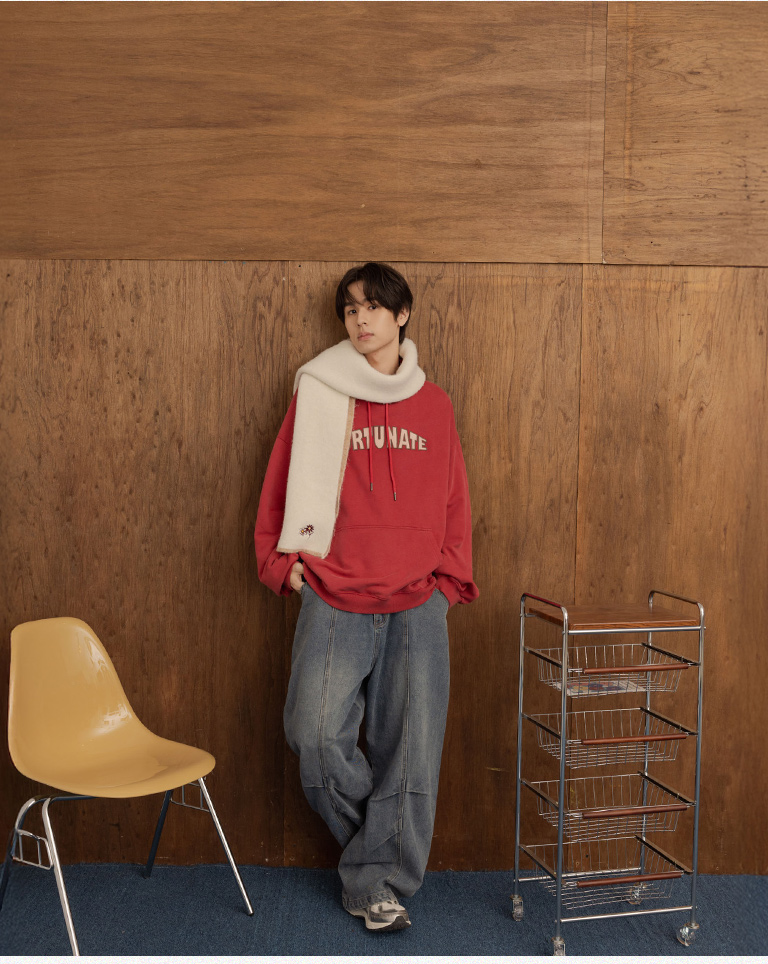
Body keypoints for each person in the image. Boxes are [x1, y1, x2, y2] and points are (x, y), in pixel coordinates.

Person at [255, 262, 479, 932]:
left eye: (374, 307)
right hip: (334, 593)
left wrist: (448, 583)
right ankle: (376, 856)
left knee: (411, 750)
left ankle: (376, 885)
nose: (361, 319)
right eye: (351, 309)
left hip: (417, 600)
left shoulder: (434, 404)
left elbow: (455, 499)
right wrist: (280, 561)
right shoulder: (319, 390)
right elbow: (280, 480)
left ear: (401, 315)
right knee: (313, 734)